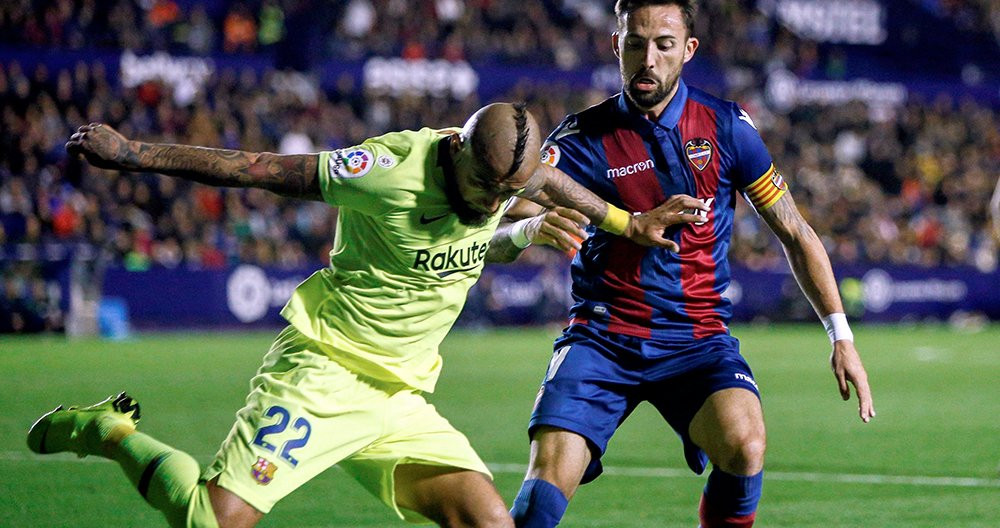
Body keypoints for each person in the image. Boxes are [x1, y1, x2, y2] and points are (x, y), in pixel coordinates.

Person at [28, 102, 704, 528]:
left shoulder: (503, 178)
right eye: (484, 190)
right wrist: (134, 155)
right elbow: (255, 168)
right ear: (457, 152)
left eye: (506, 195)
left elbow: (537, 191)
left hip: (400, 395)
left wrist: (625, 221)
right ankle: (108, 431)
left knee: (486, 523)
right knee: (213, 521)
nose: (489, 205)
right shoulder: (386, 167)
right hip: (323, 371)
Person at [499, 2, 876, 527]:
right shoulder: (581, 139)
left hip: (696, 339)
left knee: (745, 446)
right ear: (617, 45)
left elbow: (794, 230)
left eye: (663, 44)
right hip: (601, 339)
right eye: (635, 44)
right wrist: (524, 229)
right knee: (539, 501)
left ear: (688, 50)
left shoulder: (726, 127)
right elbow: (500, 216)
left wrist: (841, 335)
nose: (647, 59)